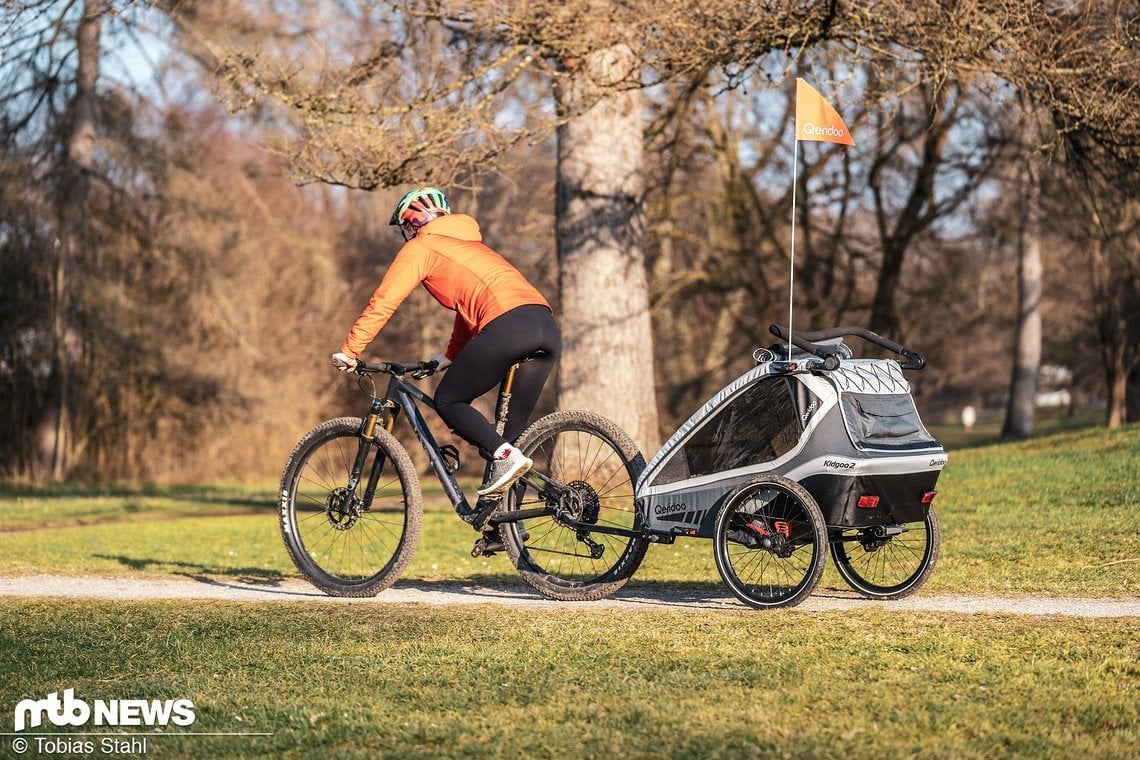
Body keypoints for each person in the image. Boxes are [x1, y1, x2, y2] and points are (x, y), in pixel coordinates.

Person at [331, 187, 561, 499]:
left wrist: (351, 350)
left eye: (405, 230)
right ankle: (503, 526)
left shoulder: (422, 246)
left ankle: (505, 459)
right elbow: (467, 308)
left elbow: (384, 302)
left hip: (508, 325)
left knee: (449, 400)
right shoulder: (472, 247)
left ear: (412, 224)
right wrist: (452, 354)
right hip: (544, 324)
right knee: (512, 438)